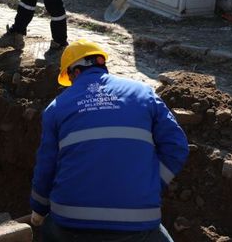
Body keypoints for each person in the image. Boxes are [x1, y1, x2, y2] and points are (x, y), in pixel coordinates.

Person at [29, 40, 189, 242]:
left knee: (49, 231)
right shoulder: (144, 93)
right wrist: (152, 182)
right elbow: (177, 147)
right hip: (137, 221)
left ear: (75, 72)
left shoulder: (56, 108)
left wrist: (39, 208)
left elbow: (46, 167)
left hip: (71, 222)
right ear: (101, 64)